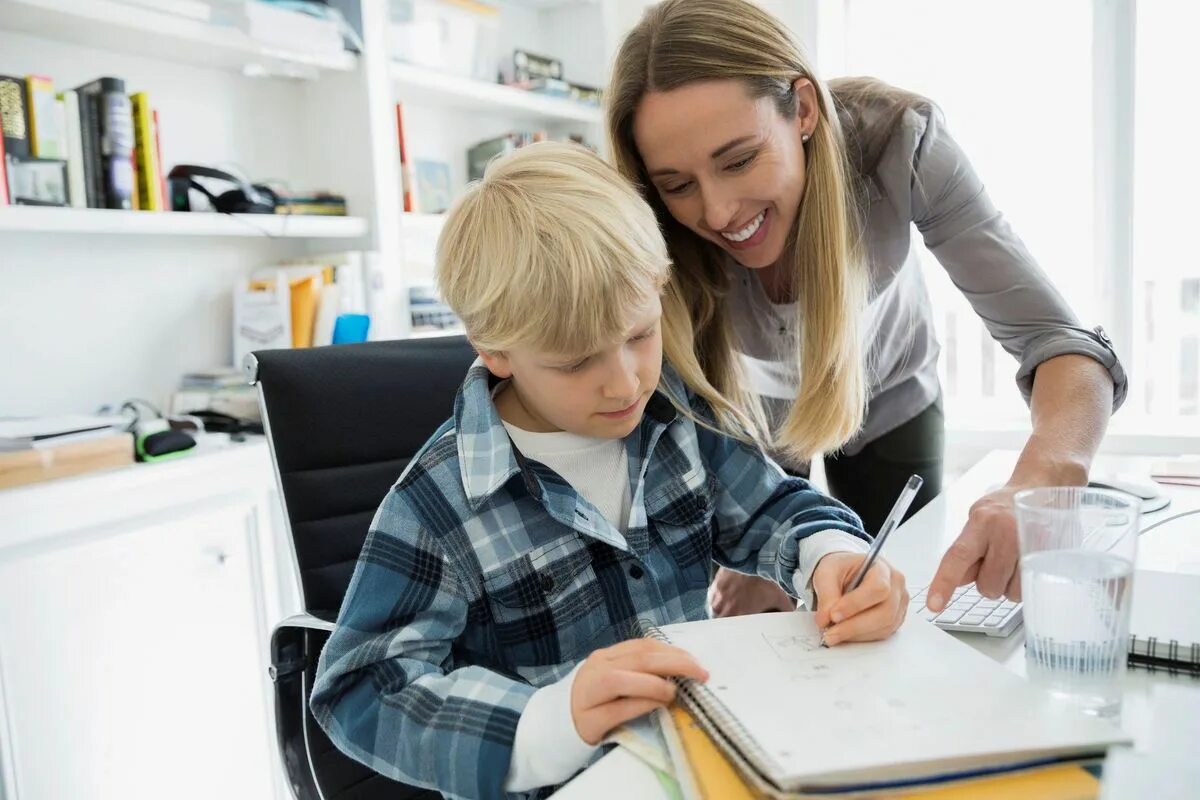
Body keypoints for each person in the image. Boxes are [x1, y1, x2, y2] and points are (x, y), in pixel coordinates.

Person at [308, 142, 908, 800]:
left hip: (703, 765)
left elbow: (772, 510)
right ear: (495, 350)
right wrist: (547, 721)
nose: (625, 383)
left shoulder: (675, 413)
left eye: (640, 335)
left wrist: (832, 558)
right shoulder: (437, 505)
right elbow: (360, 688)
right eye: (575, 362)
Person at [606, 0, 1126, 616]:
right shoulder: (644, 221)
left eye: (739, 159)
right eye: (678, 185)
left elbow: (1059, 341)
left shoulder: (899, 142)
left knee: (897, 595)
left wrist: (1042, 478)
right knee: (766, 607)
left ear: (802, 109)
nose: (717, 214)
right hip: (751, 414)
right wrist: (758, 553)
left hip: (890, 392)